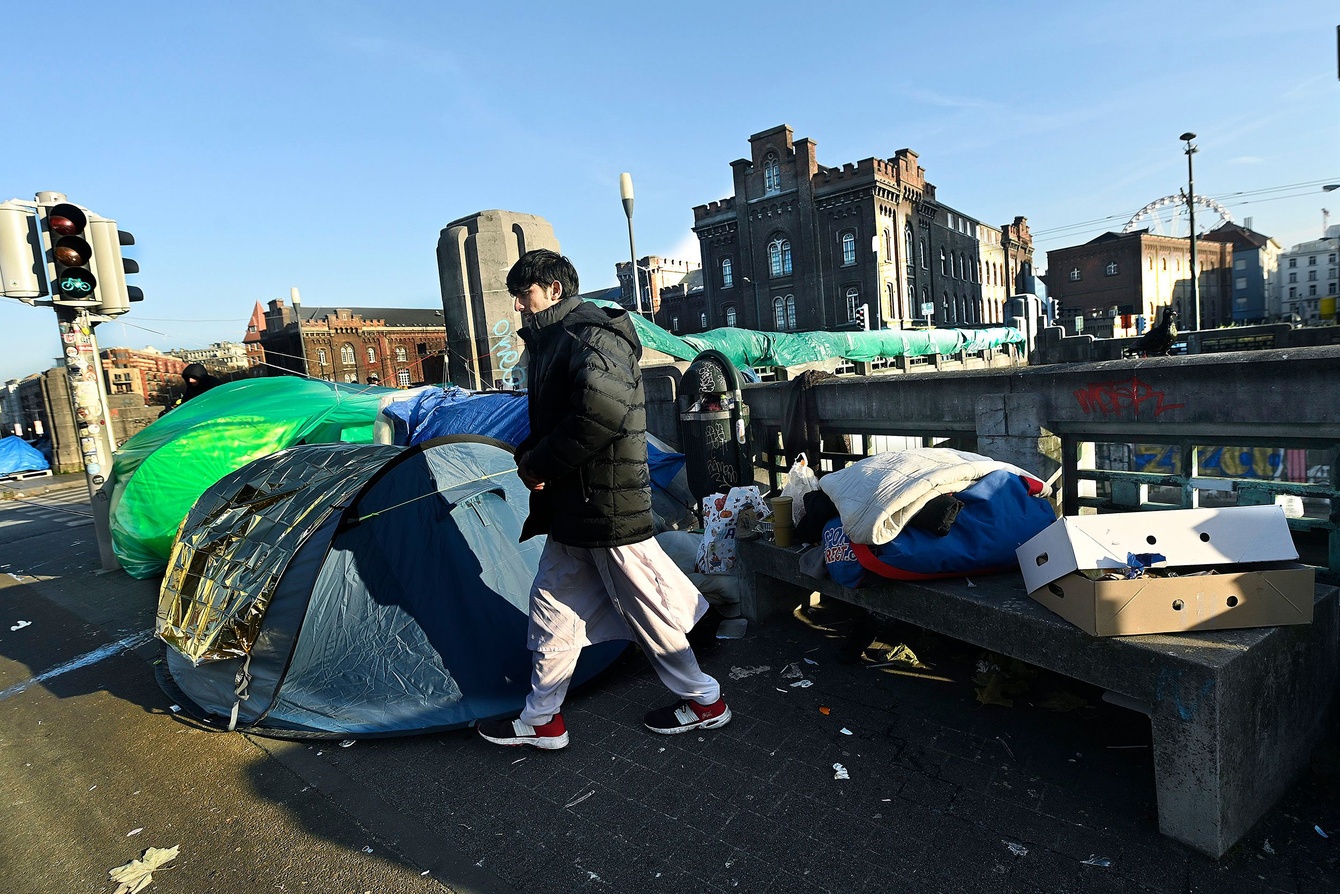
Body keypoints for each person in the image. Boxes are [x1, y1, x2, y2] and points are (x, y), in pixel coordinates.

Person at [477, 249, 729, 750]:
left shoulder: (592, 335)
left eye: (523, 296)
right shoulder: (558, 340)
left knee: (650, 608)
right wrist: (535, 455)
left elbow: (599, 413)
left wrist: (537, 464)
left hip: (606, 506)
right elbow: (562, 419)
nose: (519, 308)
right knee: (552, 606)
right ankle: (543, 718)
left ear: (553, 290)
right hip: (577, 507)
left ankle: (705, 700)